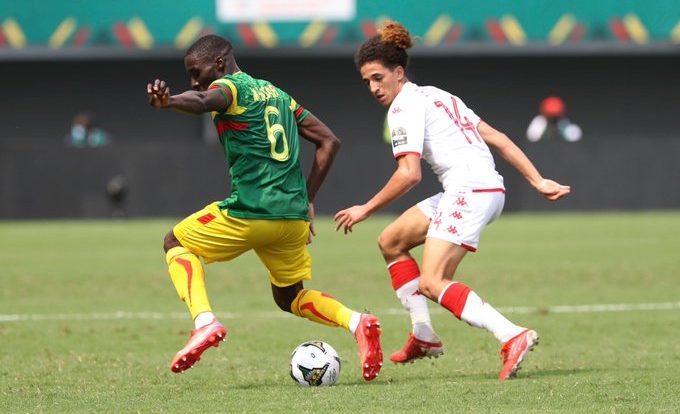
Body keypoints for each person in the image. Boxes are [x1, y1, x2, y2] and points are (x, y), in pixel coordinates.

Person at [334, 22, 571, 381]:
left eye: (378, 78)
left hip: (469, 190)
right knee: (392, 241)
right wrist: (536, 179)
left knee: (432, 281)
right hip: (480, 188)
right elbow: (498, 137)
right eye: (367, 81)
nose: (373, 88)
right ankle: (423, 334)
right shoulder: (437, 95)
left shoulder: (402, 108)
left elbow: (409, 174)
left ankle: (512, 334)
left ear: (399, 73)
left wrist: (365, 208)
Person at [146, 35, 383, 381]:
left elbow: (202, 100)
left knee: (175, 242)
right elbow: (329, 141)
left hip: (252, 211)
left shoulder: (230, 87)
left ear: (220, 64)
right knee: (290, 297)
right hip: (292, 218)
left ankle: (204, 322)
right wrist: (307, 199)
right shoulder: (278, 95)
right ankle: (357, 321)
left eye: (197, 72)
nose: (194, 82)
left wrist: (169, 102)